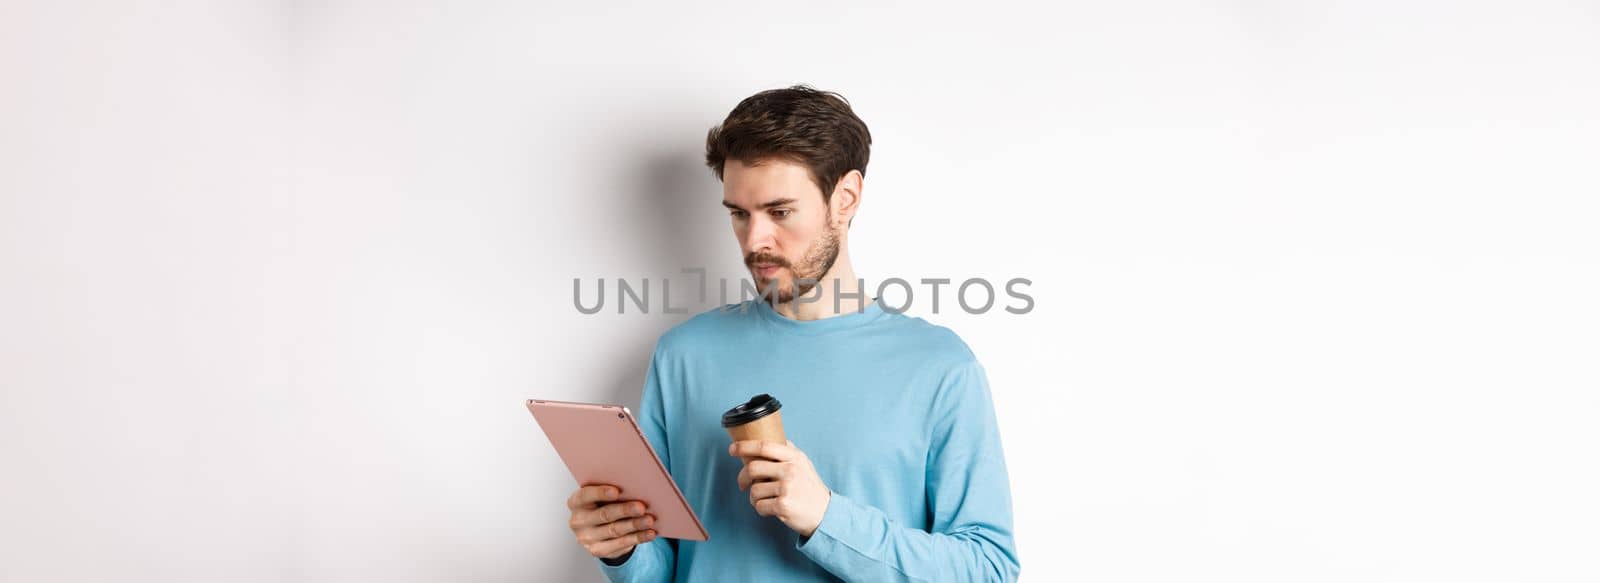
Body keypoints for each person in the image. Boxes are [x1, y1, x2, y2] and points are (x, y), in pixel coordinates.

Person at [564, 84, 1021, 582]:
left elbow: (987, 570)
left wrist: (826, 517)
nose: (755, 240)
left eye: (779, 212)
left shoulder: (939, 366)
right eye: (739, 214)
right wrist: (620, 550)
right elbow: (662, 569)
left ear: (844, 198)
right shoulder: (683, 355)